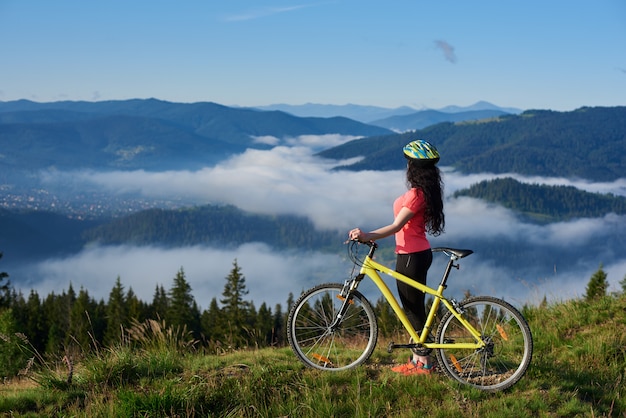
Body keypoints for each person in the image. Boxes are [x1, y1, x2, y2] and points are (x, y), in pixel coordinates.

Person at [348, 139, 445, 376]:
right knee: (411, 308)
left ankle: (425, 363)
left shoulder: (416, 195)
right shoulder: (422, 193)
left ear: (414, 167)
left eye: (410, 163)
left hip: (411, 256)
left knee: (412, 309)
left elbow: (396, 226)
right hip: (414, 253)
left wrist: (366, 234)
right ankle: (417, 360)